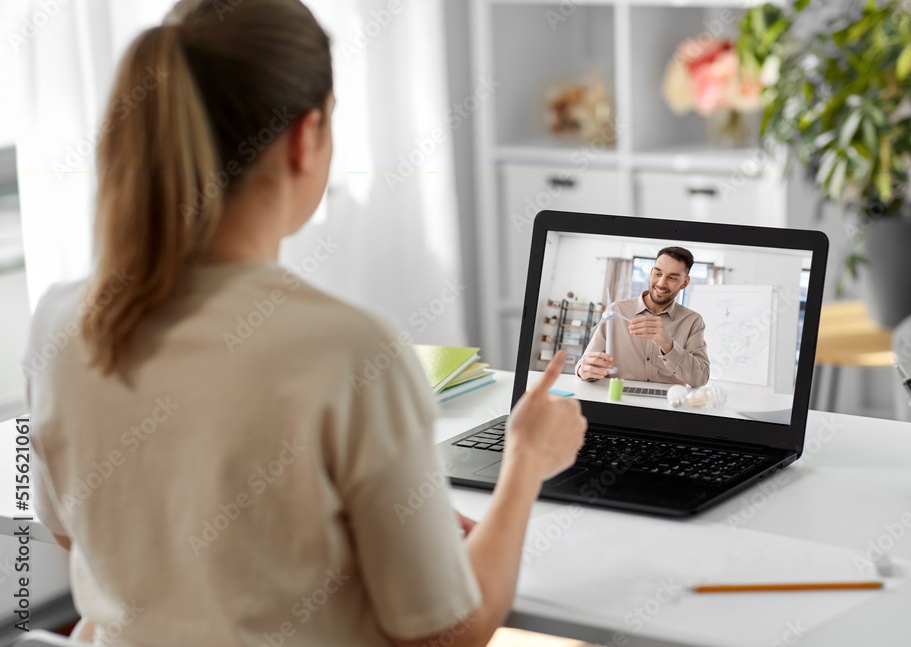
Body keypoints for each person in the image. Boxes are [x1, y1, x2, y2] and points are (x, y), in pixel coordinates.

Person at [22, 1, 587, 645]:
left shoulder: (59, 321)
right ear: (305, 135)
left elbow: (74, 532)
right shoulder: (349, 350)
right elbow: (449, 636)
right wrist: (525, 465)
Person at [576, 247, 710, 387]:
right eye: (658, 274)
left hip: (668, 404)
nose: (661, 283)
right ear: (652, 272)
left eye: (672, 278)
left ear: (685, 283)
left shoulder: (693, 321)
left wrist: (668, 345)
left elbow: (700, 379)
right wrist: (583, 370)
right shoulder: (616, 310)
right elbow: (585, 363)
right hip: (618, 399)